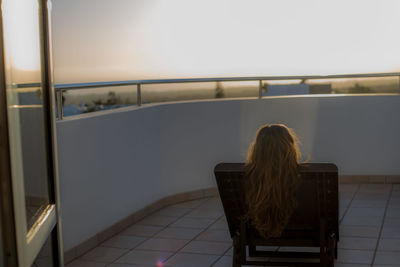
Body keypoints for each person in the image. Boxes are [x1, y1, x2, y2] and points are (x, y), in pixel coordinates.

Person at [244, 124, 301, 238]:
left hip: (256, 228)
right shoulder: (301, 176)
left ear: (258, 148)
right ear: (289, 147)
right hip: (304, 230)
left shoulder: (247, 176)